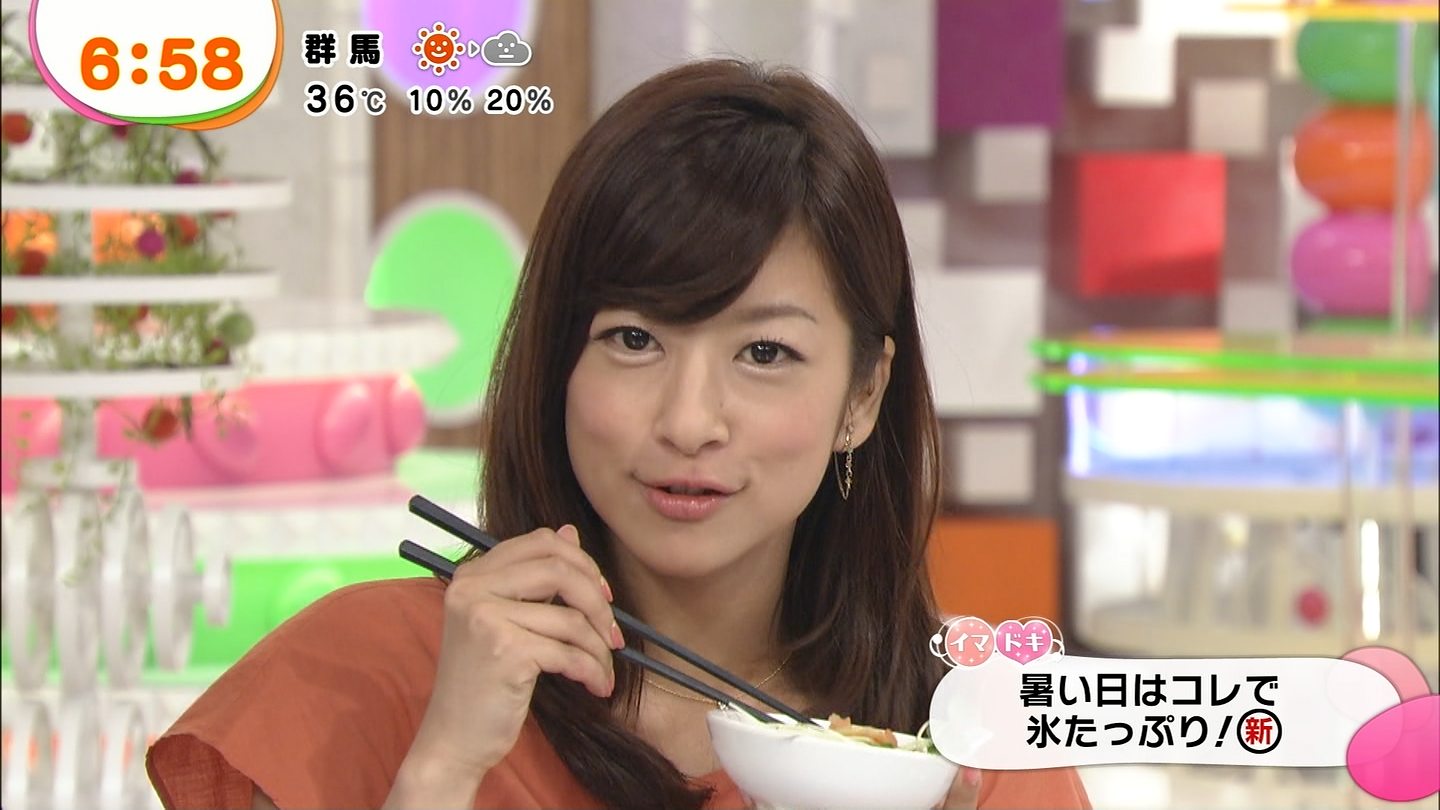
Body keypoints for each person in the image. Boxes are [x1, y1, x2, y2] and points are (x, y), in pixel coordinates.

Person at [146, 59, 1091, 810]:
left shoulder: (973, 739)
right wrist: (441, 768)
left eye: (764, 353)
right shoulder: (363, 674)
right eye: (634, 339)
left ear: (863, 395)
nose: (687, 422)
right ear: (558, 358)